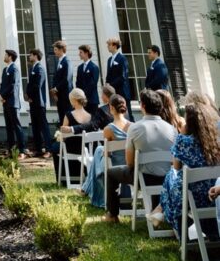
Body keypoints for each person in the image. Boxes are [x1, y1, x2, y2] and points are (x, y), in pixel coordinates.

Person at [149, 97, 220, 238]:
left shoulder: (183, 141)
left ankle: (160, 210)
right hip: (214, 194)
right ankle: (159, 209)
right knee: (176, 179)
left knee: (172, 176)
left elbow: (176, 167)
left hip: (193, 197)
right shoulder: (215, 142)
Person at [105, 89, 175, 223]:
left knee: (111, 173)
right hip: (167, 179)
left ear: (142, 106)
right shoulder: (171, 129)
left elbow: (130, 162)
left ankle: (112, 215)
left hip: (144, 178)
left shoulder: (135, 128)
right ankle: (157, 211)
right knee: (156, 170)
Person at [82, 94, 131, 208]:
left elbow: (108, 153)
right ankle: (85, 188)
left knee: (99, 152)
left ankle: (88, 189)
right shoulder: (133, 126)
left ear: (111, 108)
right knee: (99, 150)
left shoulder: (108, 129)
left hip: (114, 167)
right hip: (129, 164)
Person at [53, 88, 92, 184]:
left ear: (74, 100)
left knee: (54, 148)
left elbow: (64, 135)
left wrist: (59, 137)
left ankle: (62, 178)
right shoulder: (90, 116)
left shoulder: (68, 115)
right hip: (85, 149)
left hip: (71, 148)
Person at [0, 49, 26, 158]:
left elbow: (13, 85)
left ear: (10, 57)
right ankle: (11, 149)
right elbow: (2, 84)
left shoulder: (15, 69)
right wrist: (0, 95)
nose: (4, 56)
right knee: (9, 127)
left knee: (17, 127)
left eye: (6, 55)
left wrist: (4, 96)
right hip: (5, 102)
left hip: (12, 102)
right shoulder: (5, 69)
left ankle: (22, 151)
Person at [26, 49, 52, 158]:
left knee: (43, 126)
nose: (29, 56)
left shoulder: (40, 68)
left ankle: (48, 149)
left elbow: (37, 85)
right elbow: (30, 84)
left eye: (31, 55)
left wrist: (30, 96)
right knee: (35, 126)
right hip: (33, 102)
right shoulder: (33, 68)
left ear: (36, 56)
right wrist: (27, 95)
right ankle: (38, 149)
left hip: (39, 102)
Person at [106, 38, 132, 119]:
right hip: (113, 93)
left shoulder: (122, 59)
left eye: (109, 45)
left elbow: (123, 76)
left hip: (122, 91)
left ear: (115, 46)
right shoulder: (109, 59)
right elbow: (108, 74)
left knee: (127, 114)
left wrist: (111, 85)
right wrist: (107, 84)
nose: (107, 47)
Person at [50, 40, 72, 125]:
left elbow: (67, 79)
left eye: (55, 49)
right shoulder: (59, 62)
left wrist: (56, 89)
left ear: (61, 49)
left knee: (66, 117)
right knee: (61, 116)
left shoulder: (67, 61)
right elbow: (56, 78)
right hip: (59, 95)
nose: (54, 51)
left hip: (65, 95)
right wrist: (54, 92)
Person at [76, 45, 100, 114]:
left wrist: (83, 94)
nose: (79, 54)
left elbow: (93, 83)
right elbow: (78, 82)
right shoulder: (80, 67)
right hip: (82, 100)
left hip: (92, 100)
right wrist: (79, 95)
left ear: (86, 53)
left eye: (81, 52)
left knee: (92, 121)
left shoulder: (94, 67)